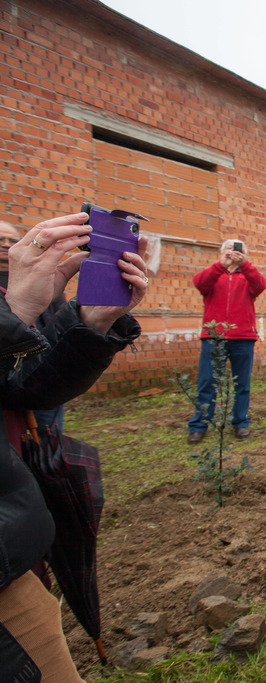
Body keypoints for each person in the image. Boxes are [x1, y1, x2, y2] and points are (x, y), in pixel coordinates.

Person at [0, 212, 148, 683]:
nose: (7, 248)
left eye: (10, 239)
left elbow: (26, 390)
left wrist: (91, 322)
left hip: (11, 569)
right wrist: (15, 314)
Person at [187, 239, 266, 442]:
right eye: (228, 250)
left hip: (243, 337)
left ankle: (240, 422)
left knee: (242, 383)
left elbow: (261, 285)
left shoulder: (247, 276)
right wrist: (220, 265)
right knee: (206, 382)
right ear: (221, 252)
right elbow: (199, 282)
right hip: (213, 337)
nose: (233, 254)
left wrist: (245, 265)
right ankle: (199, 424)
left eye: (237, 251)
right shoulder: (214, 275)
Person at [0, 221, 66, 430]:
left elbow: (60, 316)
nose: (5, 244)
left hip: (44, 365)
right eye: (0, 239)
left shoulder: (40, 275)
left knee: (49, 431)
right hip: (8, 371)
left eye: (12, 240)